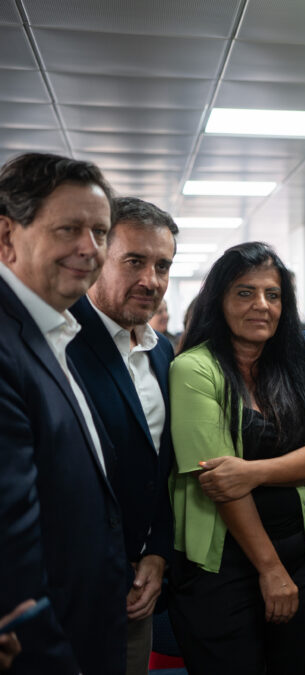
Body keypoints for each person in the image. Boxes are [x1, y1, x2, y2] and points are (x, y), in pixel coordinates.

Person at [168, 242, 305, 674]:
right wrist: (271, 571)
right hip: (222, 570)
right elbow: (221, 485)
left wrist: (250, 471)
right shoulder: (194, 369)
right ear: (219, 300)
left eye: (272, 294)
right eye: (245, 292)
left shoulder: (303, 368)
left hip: (302, 558)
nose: (261, 305)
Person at [0, 152, 128, 674]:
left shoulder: (52, 332)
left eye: (100, 232)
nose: (89, 249)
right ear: (7, 236)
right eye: (69, 229)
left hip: (85, 627)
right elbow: (11, 544)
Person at [67, 197, 178, 675]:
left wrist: (157, 554)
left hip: (136, 588)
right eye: (134, 261)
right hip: (66, 592)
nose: (150, 279)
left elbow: (166, 471)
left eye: (162, 266)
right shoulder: (60, 344)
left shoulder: (163, 354)